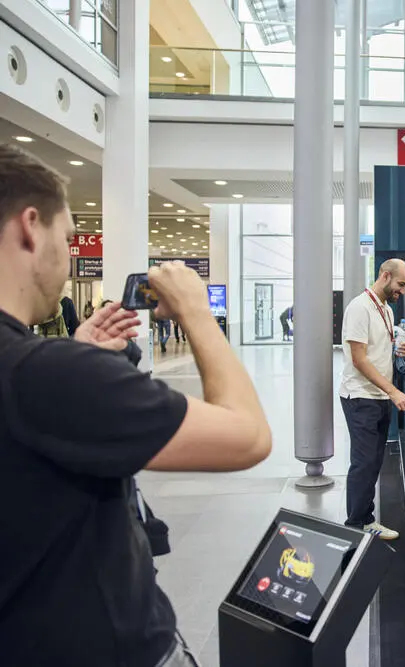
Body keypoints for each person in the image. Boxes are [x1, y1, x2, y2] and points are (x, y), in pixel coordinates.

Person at [0, 143, 273, 667]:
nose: (68, 253)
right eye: (67, 237)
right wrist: (197, 311)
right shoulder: (44, 374)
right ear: (30, 227)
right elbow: (248, 436)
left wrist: (75, 361)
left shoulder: (45, 374)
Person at [340, 258, 405, 540]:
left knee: (373, 461)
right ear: (385, 276)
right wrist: (394, 391)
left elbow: (376, 350)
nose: (403, 291)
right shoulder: (359, 308)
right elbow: (359, 360)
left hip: (379, 396)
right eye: (401, 284)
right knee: (364, 462)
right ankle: (355, 526)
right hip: (361, 397)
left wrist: (398, 350)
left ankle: (365, 519)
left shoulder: (385, 309)